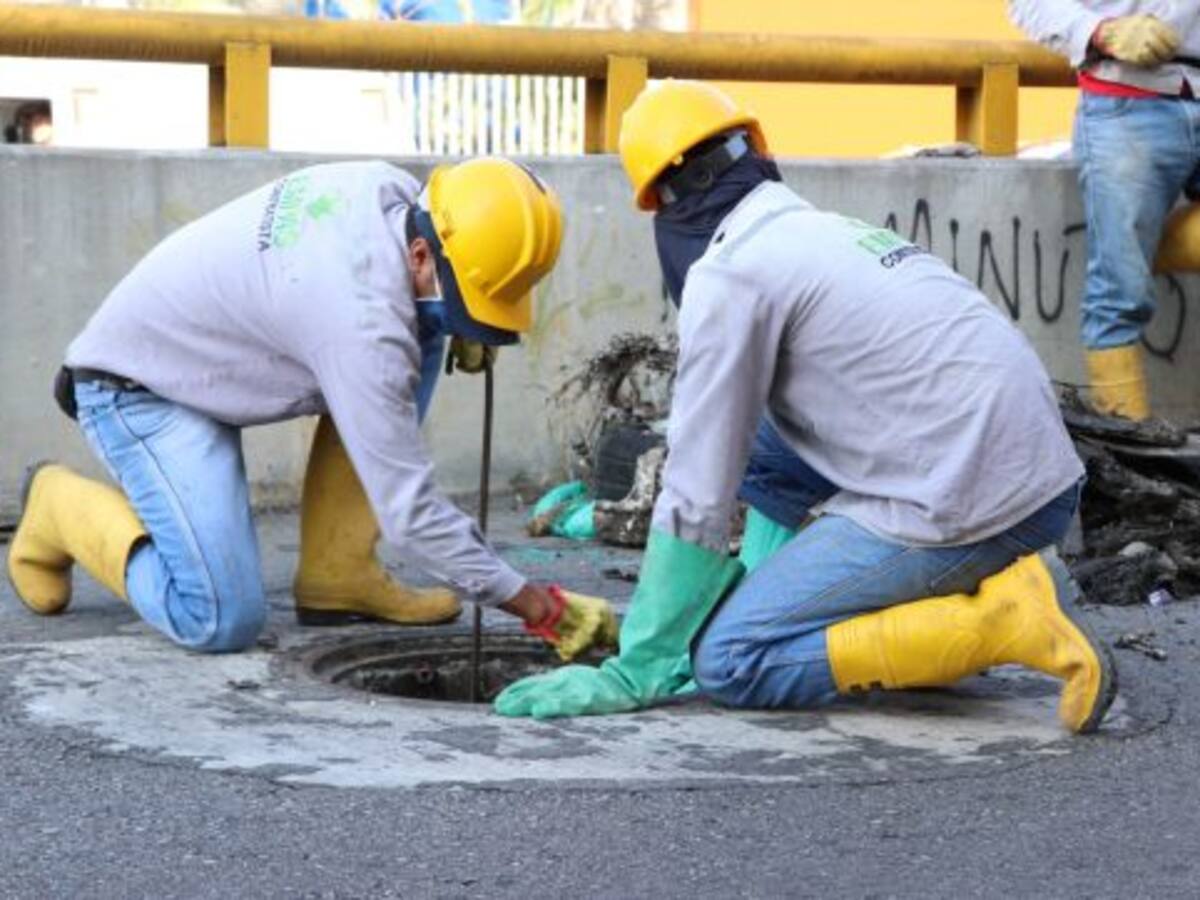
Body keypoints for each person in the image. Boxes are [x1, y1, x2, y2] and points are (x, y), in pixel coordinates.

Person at [495, 80, 1117, 734]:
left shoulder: (732, 270)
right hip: (1038, 475)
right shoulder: (816, 231)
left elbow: (698, 484)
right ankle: (767, 598)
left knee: (732, 660)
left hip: (969, 499)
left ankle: (1001, 621)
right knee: (764, 443)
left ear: (664, 206)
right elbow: (744, 452)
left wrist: (643, 661)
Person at [6, 158, 616, 659]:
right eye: (468, 297)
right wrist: (540, 607)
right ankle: (58, 505)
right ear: (425, 254)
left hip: (214, 353)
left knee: (421, 329)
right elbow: (415, 517)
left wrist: (463, 317)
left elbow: (405, 304)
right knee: (217, 618)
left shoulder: (394, 195)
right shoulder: (359, 325)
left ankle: (337, 570)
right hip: (139, 388)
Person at [1009, 2, 1200, 420]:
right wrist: (1101, 31)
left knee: (1125, 271)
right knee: (1119, 294)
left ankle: (1143, 252)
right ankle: (1125, 442)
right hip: (1128, 100)